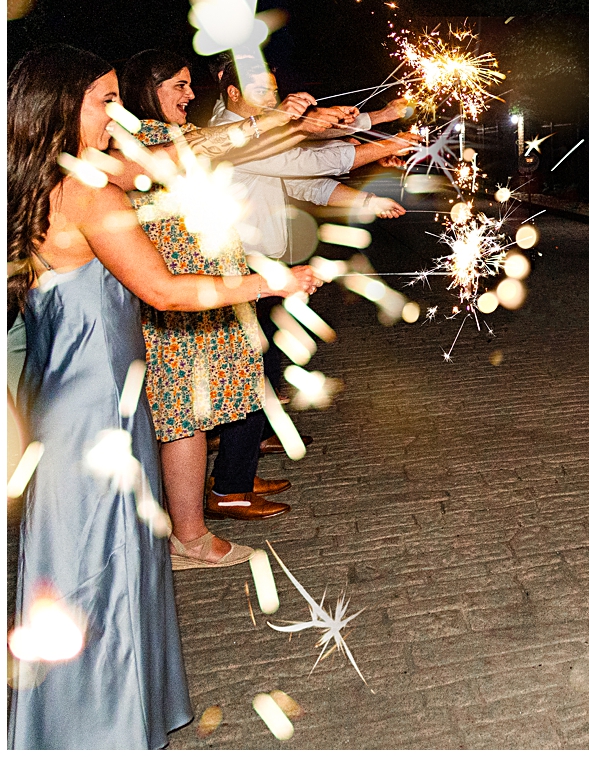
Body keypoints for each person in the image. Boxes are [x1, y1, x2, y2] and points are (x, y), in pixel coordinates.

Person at [7, 44, 318, 748]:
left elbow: (169, 162)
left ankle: (72, 721)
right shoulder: (90, 192)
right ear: (63, 106)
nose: (116, 113)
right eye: (103, 100)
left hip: (67, 403)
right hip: (98, 414)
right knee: (102, 569)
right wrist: (275, 282)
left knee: (81, 568)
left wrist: (258, 124)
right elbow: (165, 290)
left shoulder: (41, 179)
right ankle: (102, 727)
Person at [117, 50, 291, 542]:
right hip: (180, 298)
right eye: (179, 85)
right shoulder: (142, 142)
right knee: (183, 416)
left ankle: (204, 512)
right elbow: (192, 153)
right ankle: (190, 534)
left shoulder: (179, 135)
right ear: (147, 89)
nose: (191, 95)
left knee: (200, 413)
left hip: (207, 295)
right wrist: (272, 123)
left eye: (190, 85)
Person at [208, 65, 413, 465]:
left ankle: (253, 441)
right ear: (232, 92)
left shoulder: (260, 132)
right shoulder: (231, 136)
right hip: (237, 265)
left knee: (261, 359)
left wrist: (368, 197)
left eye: (273, 86)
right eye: (259, 87)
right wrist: (387, 143)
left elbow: (306, 178)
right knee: (251, 370)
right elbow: (304, 160)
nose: (271, 95)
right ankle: (231, 483)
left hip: (259, 263)